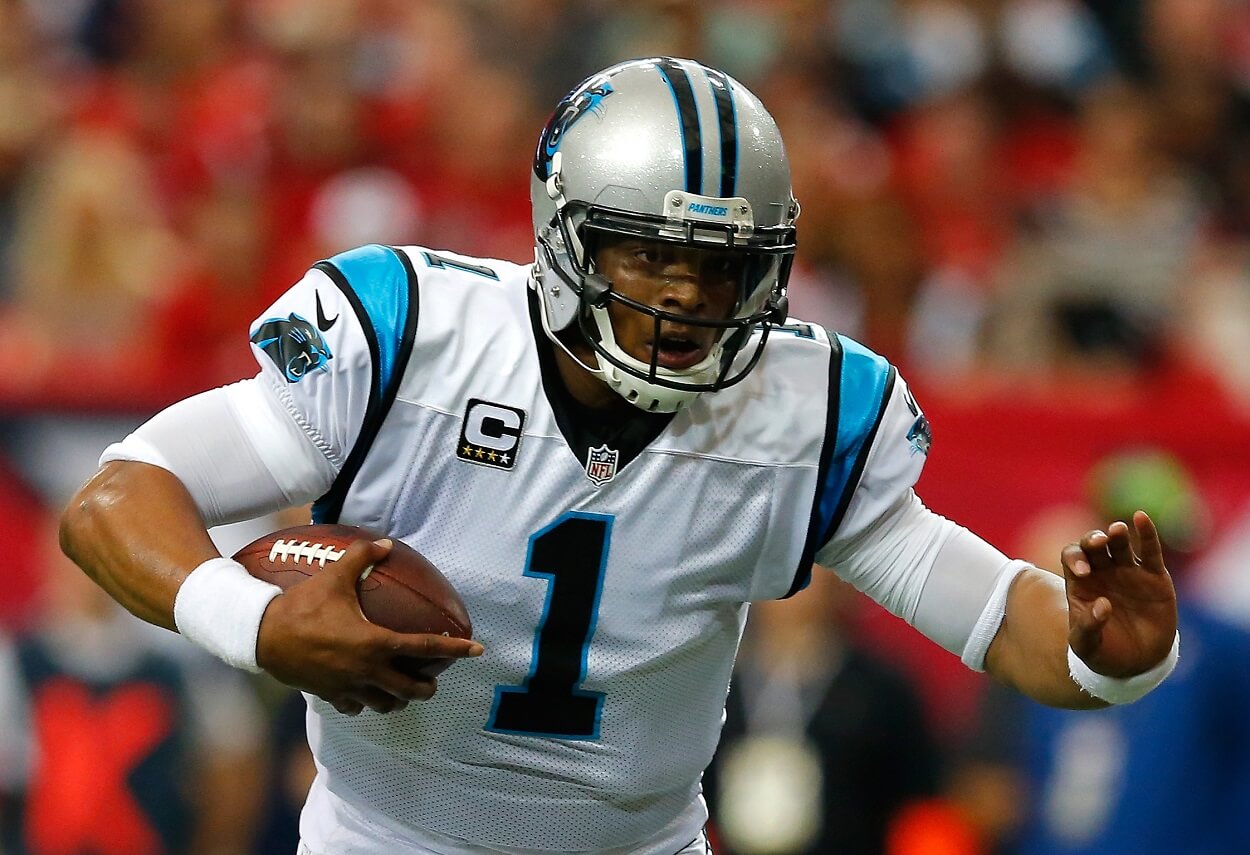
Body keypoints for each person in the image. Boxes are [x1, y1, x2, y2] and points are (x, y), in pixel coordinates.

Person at [59, 58, 1179, 855]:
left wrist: (1108, 658)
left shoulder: (809, 411)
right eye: (650, 256)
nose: (689, 297)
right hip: (380, 840)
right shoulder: (410, 338)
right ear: (561, 234)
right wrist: (251, 624)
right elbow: (117, 499)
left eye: (723, 265)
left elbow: (991, 617)